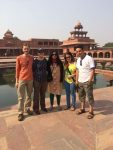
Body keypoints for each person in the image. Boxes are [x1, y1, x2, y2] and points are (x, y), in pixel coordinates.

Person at [76, 45, 95, 119]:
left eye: (80, 51)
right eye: (77, 51)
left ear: (83, 51)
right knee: (81, 96)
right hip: (80, 81)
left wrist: (90, 80)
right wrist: (77, 81)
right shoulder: (78, 59)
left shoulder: (89, 58)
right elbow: (77, 70)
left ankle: (91, 111)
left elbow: (93, 69)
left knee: (89, 96)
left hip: (87, 81)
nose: (78, 52)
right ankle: (82, 108)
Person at [15, 44, 33, 121]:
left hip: (30, 79)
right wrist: (17, 81)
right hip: (21, 79)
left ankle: (27, 108)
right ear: (22, 49)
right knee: (21, 97)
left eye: (27, 49)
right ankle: (20, 112)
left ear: (29, 49)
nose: (26, 50)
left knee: (29, 95)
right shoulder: (19, 58)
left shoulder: (32, 58)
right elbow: (17, 70)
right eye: (25, 49)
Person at [32, 48, 49, 114]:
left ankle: (43, 107)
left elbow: (47, 69)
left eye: (42, 52)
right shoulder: (35, 61)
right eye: (40, 52)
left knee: (43, 94)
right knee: (36, 95)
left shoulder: (45, 60)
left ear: (44, 53)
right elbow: (33, 70)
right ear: (38, 53)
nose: (41, 53)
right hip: (37, 80)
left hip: (44, 80)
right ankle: (36, 109)